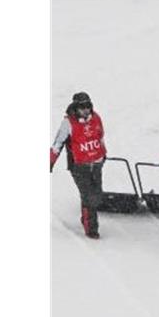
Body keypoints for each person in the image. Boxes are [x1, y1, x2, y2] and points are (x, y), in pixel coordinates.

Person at [50, 91, 107, 238]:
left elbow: (100, 136)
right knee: (89, 197)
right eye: (82, 107)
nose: (85, 110)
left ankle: (86, 216)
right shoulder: (68, 123)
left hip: (96, 163)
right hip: (79, 166)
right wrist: (50, 161)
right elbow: (58, 144)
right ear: (75, 107)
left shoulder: (96, 118)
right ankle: (91, 228)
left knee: (97, 195)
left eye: (88, 106)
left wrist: (103, 154)